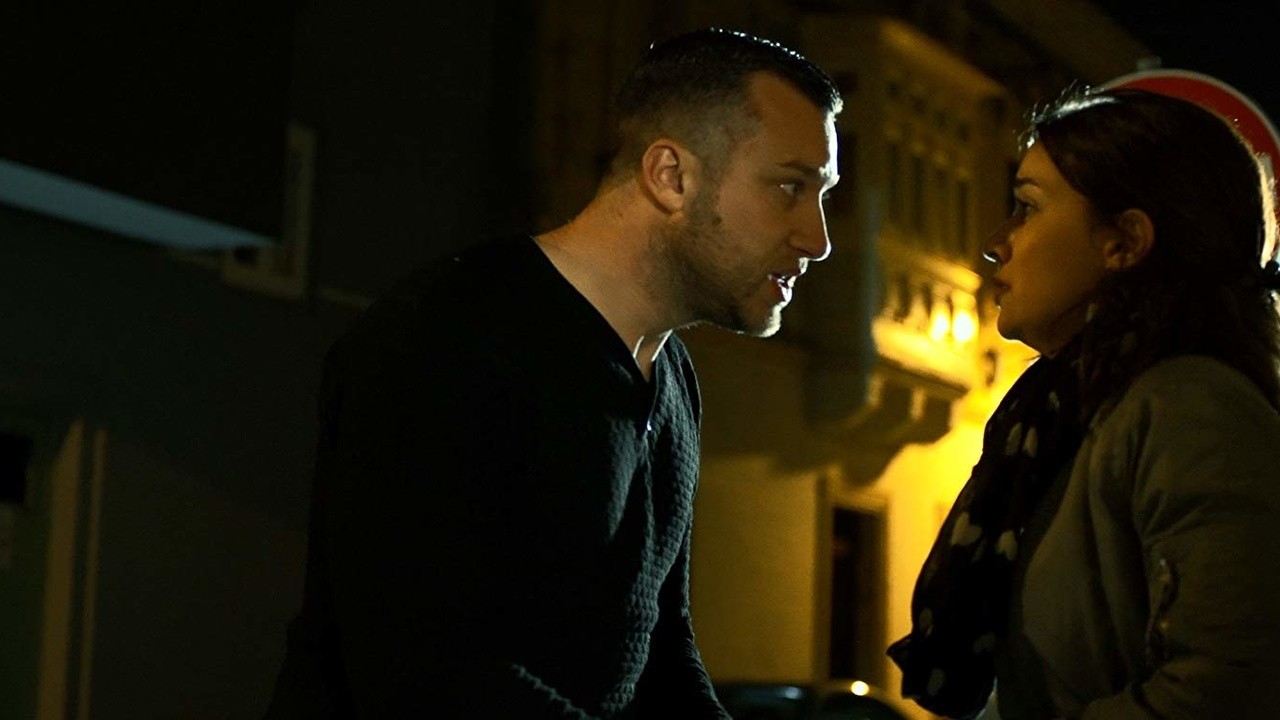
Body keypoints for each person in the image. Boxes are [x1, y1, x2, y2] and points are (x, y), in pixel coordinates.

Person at [263, 27, 842, 718]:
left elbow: (660, 654)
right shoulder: (449, 337)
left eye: (822, 195)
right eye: (788, 187)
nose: (817, 239)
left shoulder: (672, 375)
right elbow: (424, 675)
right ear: (671, 176)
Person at [887, 81, 1280, 719]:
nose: (998, 239)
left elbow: (1225, 686)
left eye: (1027, 206)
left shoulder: (1190, 408)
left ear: (1123, 241)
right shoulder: (1064, 415)